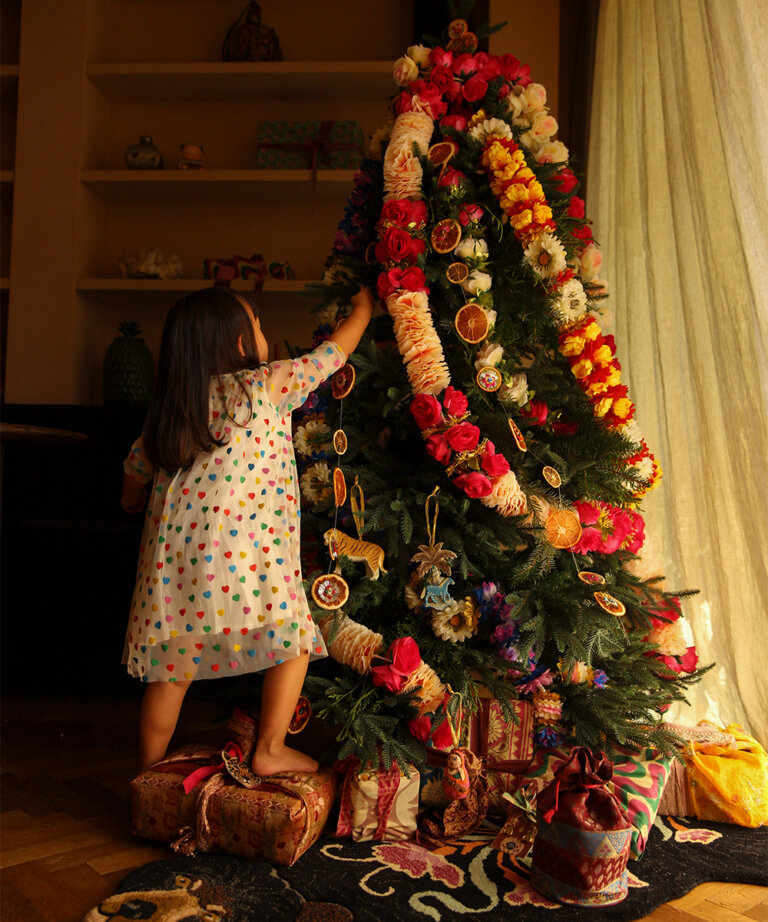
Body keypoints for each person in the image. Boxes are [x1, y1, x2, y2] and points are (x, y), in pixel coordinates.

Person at [121, 285, 374, 774]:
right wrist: (362, 309)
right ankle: (270, 749)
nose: (264, 333)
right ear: (240, 344)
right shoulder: (265, 384)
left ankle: (149, 770)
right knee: (295, 643)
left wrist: (130, 502)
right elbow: (332, 354)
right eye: (257, 325)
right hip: (250, 551)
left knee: (171, 670)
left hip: (175, 563)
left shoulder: (175, 411)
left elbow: (134, 469)